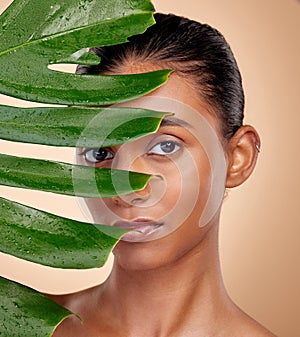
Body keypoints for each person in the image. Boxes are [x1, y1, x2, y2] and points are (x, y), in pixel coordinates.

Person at [50, 13, 276, 337]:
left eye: (166, 146)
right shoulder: (21, 326)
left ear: (238, 157)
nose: (126, 188)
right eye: (99, 153)